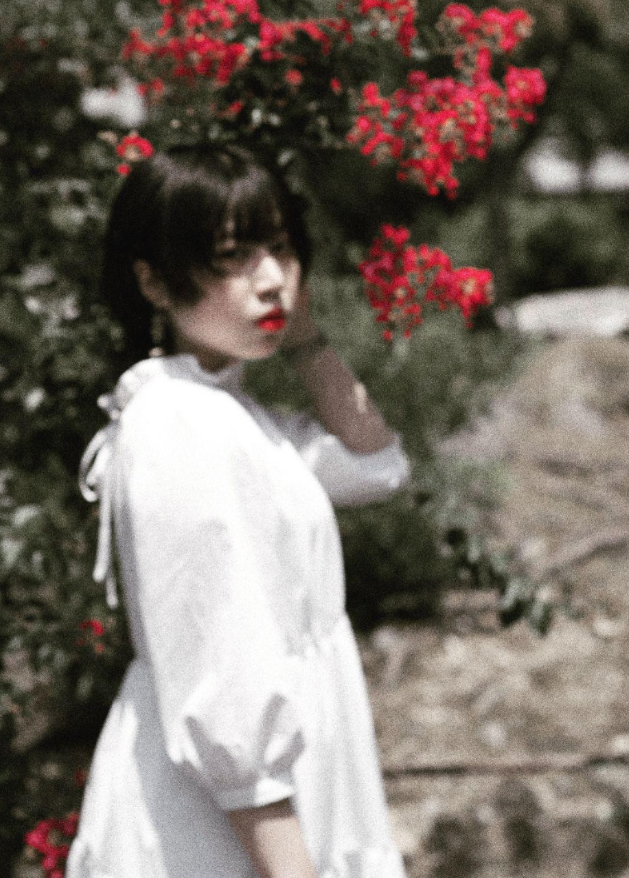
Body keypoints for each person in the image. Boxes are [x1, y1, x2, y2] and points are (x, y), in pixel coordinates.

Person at [66, 142, 411, 878]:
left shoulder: (231, 415)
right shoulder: (177, 423)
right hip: (231, 828)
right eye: (232, 257)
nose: (272, 279)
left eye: (280, 249)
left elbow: (378, 464)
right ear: (153, 282)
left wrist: (305, 336)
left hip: (279, 802)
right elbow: (226, 684)